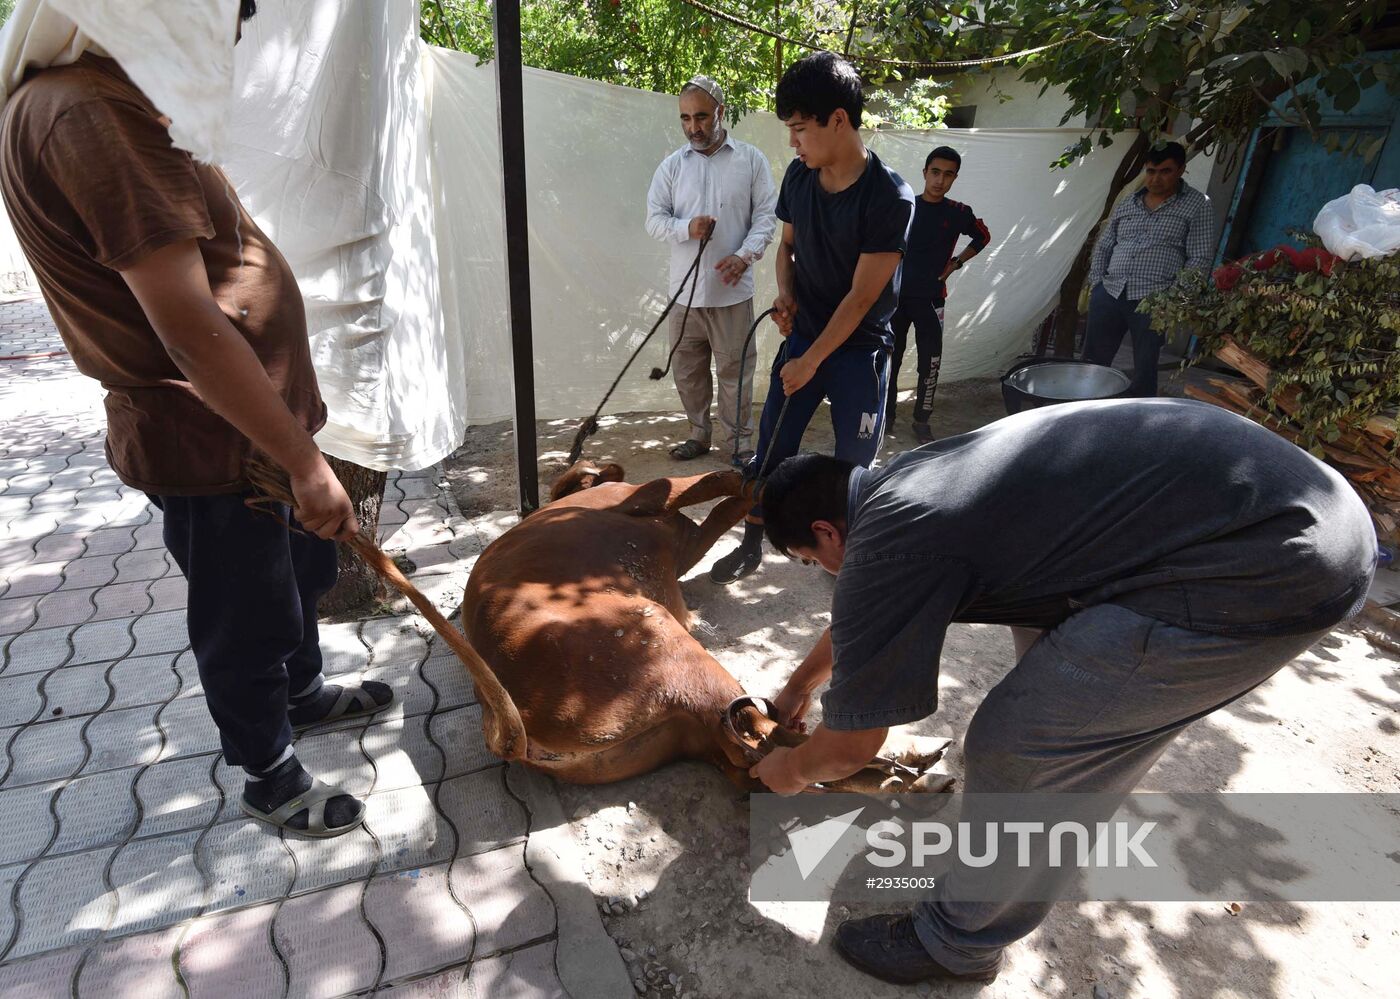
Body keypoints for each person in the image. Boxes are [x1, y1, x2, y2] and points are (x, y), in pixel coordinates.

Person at [750, 398, 1376, 984]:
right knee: (1056, 693)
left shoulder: (887, 544)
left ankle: (958, 943)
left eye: (811, 561)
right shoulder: (908, 483)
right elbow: (866, 621)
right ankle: (1060, 803)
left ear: (827, 532)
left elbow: (850, 747)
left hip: (1272, 563)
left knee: (1015, 746)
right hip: (1294, 507)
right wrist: (798, 687)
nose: (825, 574)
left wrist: (792, 771)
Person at [0, 0, 392, 837]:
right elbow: (189, 329)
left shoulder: (94, 97)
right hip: (221, 443)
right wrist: (303, 461)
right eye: (233, 6)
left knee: (294, 581)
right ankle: (270, 774)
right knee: (246, 613)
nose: (243, 23)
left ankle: (303, 695)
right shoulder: (93, 116)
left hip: (244, 433)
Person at [709, 51, 914, 584]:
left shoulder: (889, 197)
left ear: (838, 120)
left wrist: (809, 360)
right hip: (804, 338)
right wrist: (786, 294)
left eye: (800, 129)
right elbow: (787, 248)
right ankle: (753, 543)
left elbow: (862, 298)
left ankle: (852, 566)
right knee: (772, 451)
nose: (793, 143)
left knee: (854, 469)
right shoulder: (800, 178)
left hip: (857, 351)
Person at [645, 74, 777, 466]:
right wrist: (687, 228)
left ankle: (739, 444)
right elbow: (653, 220)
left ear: (720, 111)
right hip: (684, 295)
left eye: (701, 117)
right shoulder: (671, 166)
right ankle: (698, 435)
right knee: (688, 372)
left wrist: (745, 255)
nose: (693, 127)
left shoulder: (750, 160)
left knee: (736, 371)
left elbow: (767, 217)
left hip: (731, 291)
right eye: (685, 118)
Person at [1082, 141, 1215, 396]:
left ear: (1181, 170)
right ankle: (1086, 409)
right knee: (1093, 363)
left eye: (1165, 171)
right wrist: (1097, 283)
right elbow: (1105, 245)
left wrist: (1173, 299)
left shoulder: (1198, 205)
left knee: (1144, 366)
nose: (1156, 179)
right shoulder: (1128, 202)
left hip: (1156, 299)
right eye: (1151, 171)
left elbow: (1199, 258)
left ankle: (1138, 420)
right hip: (1109, 291)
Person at [887, 145, 989, 443]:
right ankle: (888, 416)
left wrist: (956, 263)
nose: (939, 180)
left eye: (948, 175)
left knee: (930, 361)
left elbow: (983, 236)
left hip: (932, 299)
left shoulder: (958, 213)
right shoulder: (905, 206)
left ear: (954, 178)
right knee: (889, 360)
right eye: (935, 172)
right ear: (924, 173)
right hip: (896, 298)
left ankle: (922, 420)